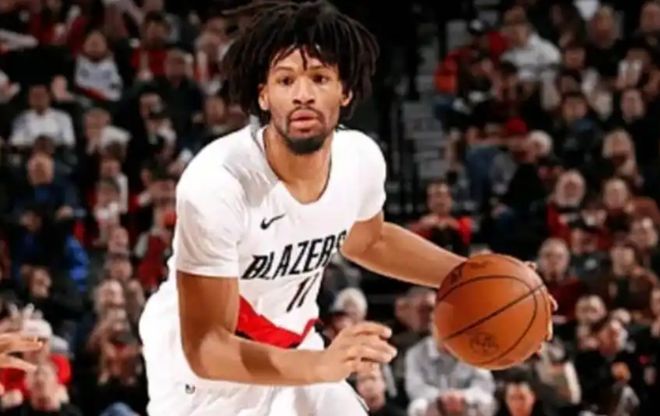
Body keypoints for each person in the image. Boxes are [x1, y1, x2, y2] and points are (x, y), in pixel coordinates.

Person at [138, 2, 553, 416]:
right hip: (206, 373)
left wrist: (491, 282)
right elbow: (207, 346)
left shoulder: (359, 159)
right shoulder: (218, 183)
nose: (303, 94)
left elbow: (369, 240)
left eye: (320, 78)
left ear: (346, 90)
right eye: (286, 80)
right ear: (263, 95)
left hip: (294, 344)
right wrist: (319, 365)